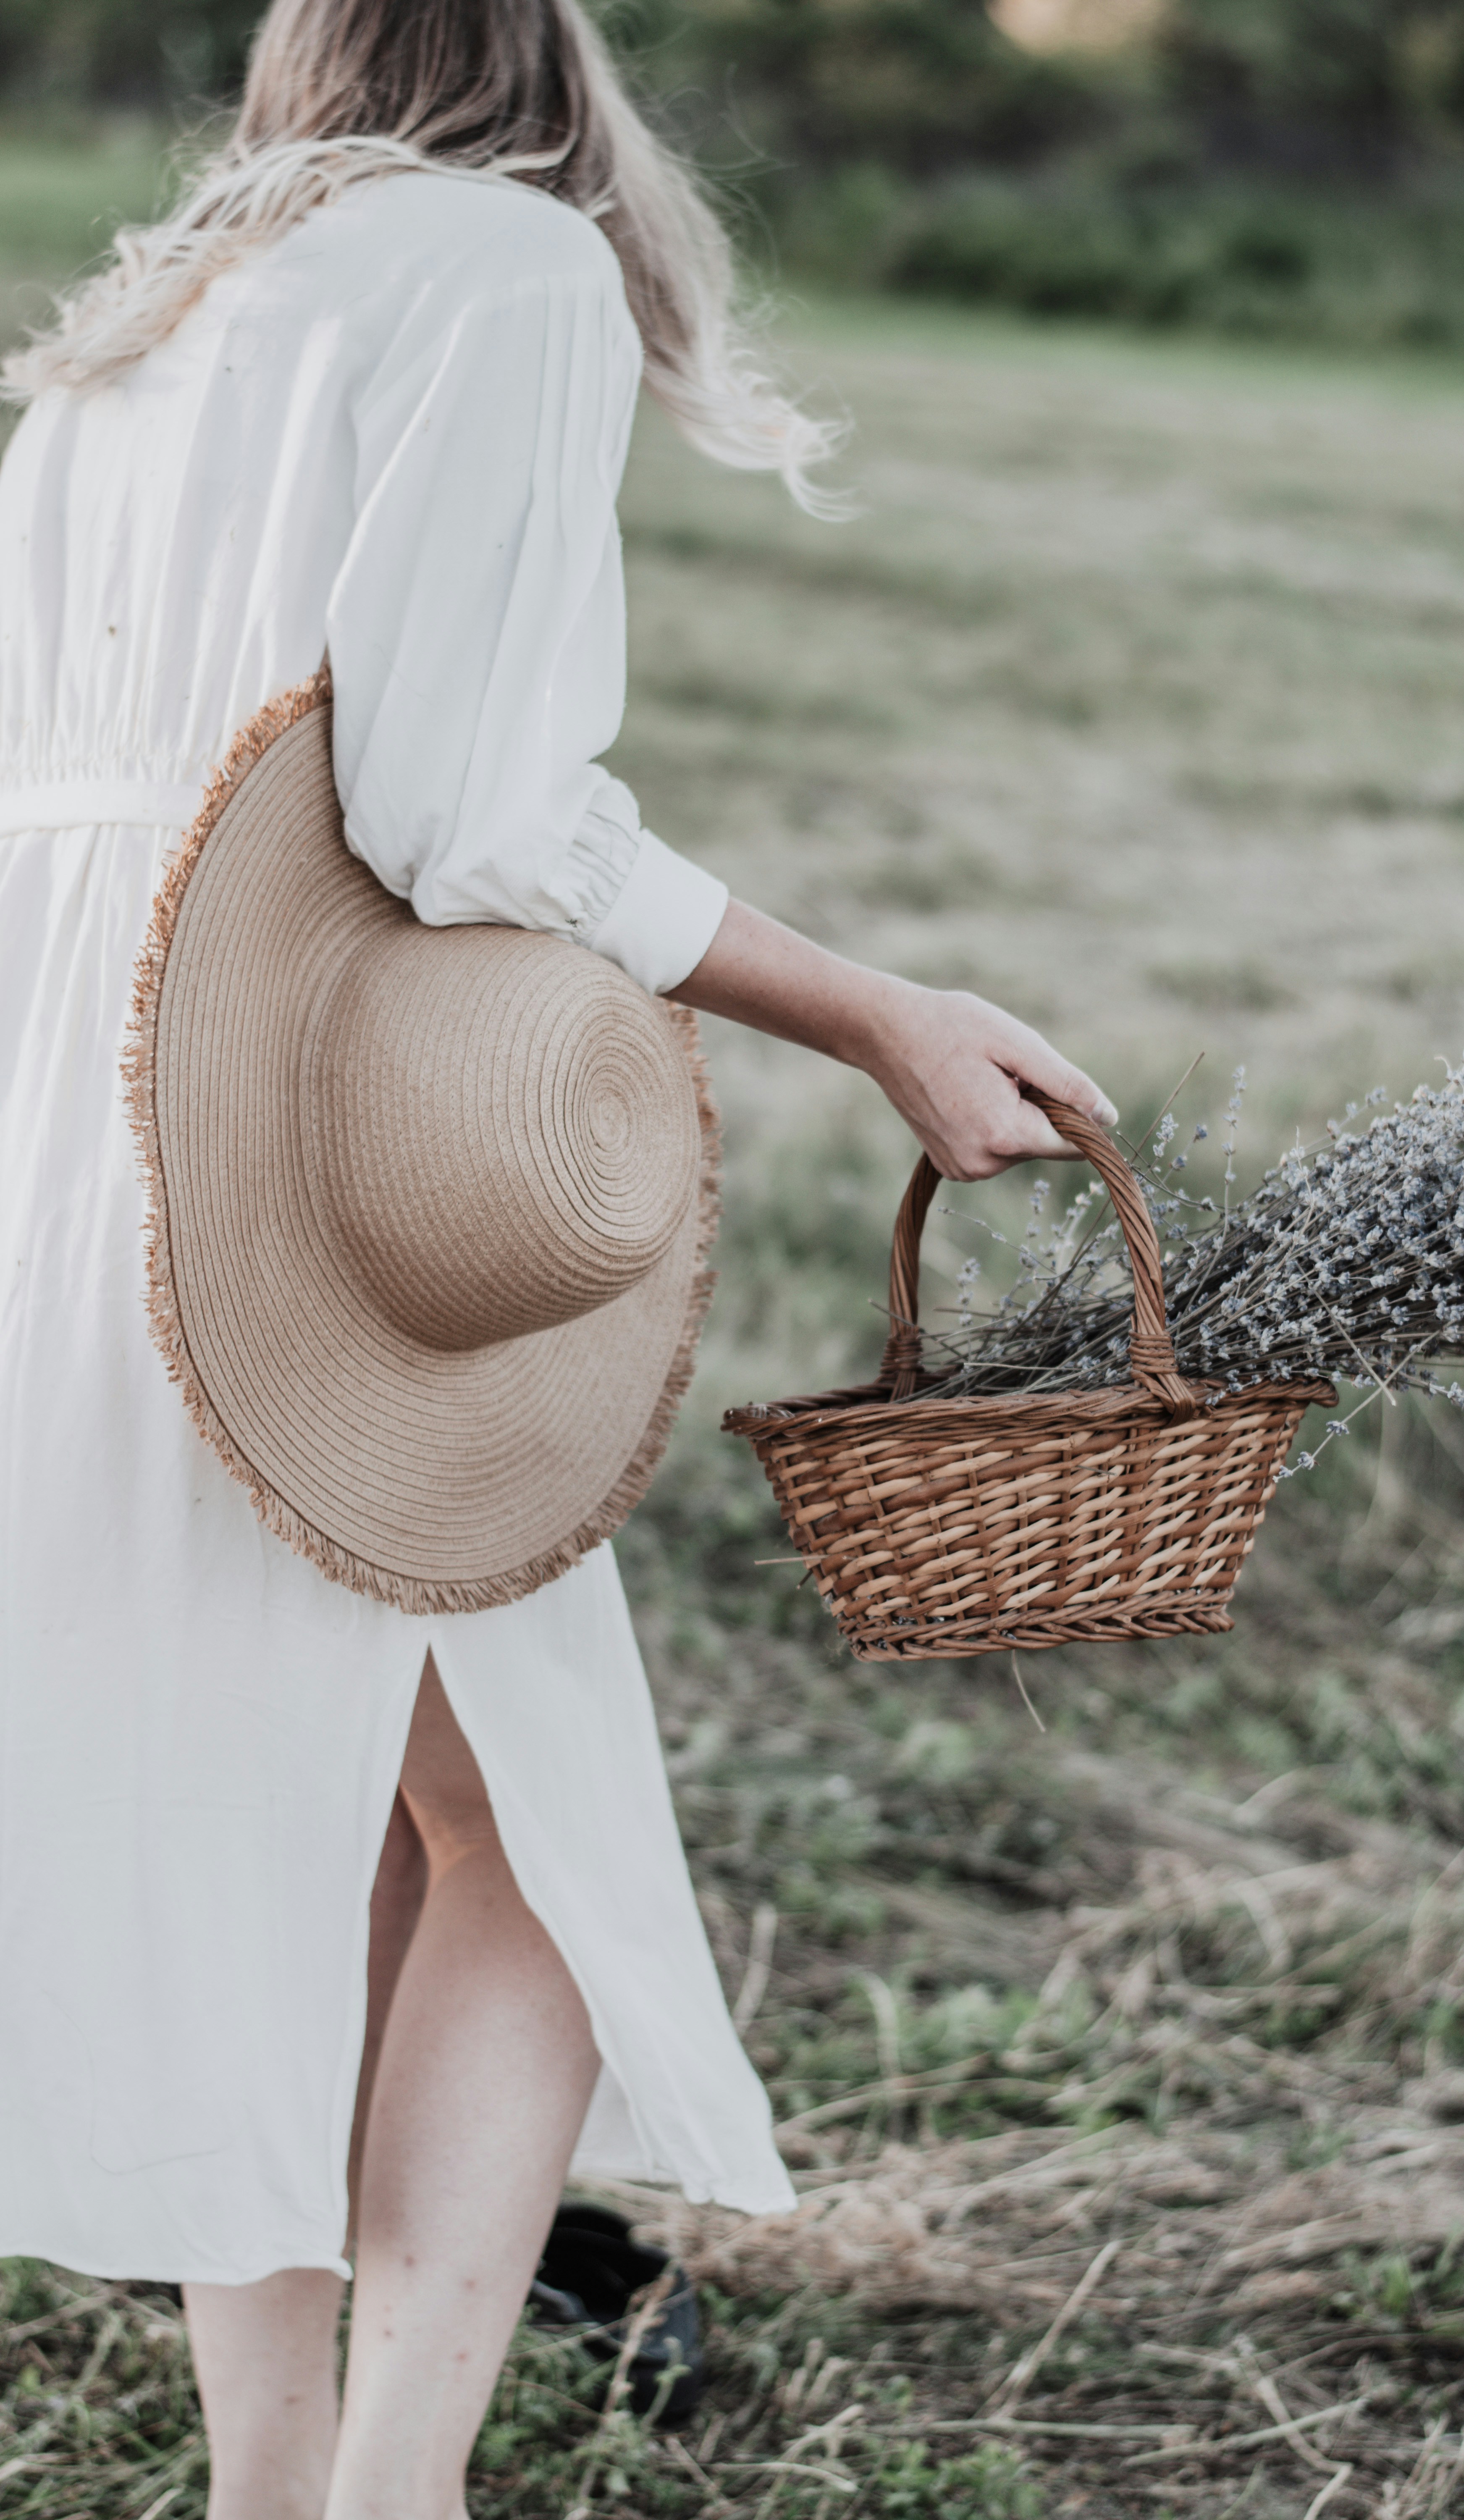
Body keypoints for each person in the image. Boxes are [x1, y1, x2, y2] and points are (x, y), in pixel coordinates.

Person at [0, 3, 1115, 2514]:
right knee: (508, 1835)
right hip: (284, 1133)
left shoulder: (144, 315)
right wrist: (875, 1009)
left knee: (269, 1819)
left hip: (77, 1135)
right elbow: (471, 813)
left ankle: (281, 2493)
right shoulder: (494, 269)